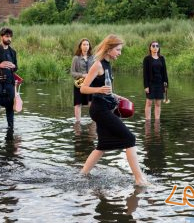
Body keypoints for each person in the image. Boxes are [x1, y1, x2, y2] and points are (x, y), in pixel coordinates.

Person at [79, 34, 149, 186]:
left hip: (106, 108)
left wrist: (118, 96)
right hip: (99, 109)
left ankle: (82, 174)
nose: (119, 53)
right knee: (130, 138)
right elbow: (83, 88)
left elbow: (107, 90)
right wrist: (100, 89)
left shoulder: (108, 65)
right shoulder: (97, 65)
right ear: (109, 49)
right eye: (118, 49)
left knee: (103, 145)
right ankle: (139, 179)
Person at [143, 41, 169, 120]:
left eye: (157, 46)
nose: (155, 47)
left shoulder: (162, 58)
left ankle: (157, 121)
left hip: (160, 83)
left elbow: (164, 72)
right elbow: (145, 74)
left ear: (159, 48)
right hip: (151, 83)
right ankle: (148, 121)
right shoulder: (147, 59)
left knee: (158, 104)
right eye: (153, 46)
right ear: (150, 48)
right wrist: (146, 86)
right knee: (149, 103)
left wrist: (166, 84)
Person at [71, 38, 94, 121]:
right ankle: (78, 122)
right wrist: (82, 75)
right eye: (84, 44)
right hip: (79, 83)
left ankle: (93, 121)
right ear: (80, 46)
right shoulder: (76, 58)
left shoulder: (92, 58)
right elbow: (72, 73)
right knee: (78, 104)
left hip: (90, 83)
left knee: (91, 103)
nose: (86, 46)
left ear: (89, 46)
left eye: (87, 44)